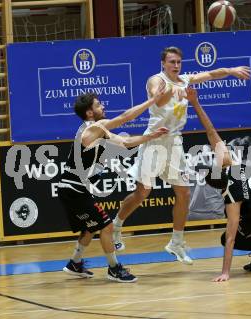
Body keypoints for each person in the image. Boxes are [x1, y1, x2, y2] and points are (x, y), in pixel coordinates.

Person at [112, 46, 251, 264]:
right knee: (142, 193)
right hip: (154, 141)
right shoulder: (156, 80)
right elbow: (156, 99)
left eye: (178, 62)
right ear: (163, 64)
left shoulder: (185, 80)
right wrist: (172, 90)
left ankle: (176, 242)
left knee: (184, 193)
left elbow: (212, 74)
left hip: (174, 143)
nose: (176, 66)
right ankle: (116, 227)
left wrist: (232, 70)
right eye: (171, 62)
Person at [58, 90, 168, 283]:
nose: (103, 107)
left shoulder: (101, 131)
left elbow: (126, 143)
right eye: (99, 105)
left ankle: (74, 264)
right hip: (73, 188)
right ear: (90, 112)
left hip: (74, 188)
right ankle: (114, 268)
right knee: (107, 226)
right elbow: (125, 117)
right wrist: (152, 101)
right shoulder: (92, 127)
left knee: (90, 227)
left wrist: (150, 136)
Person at [185, 87, 251, 281]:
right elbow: (210, 131)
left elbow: (230, 238)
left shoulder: (232, 197)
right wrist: (194, 103)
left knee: (233, 235)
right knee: (243, 224)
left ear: (215, 187)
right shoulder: (228, 163)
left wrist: (225, 272)